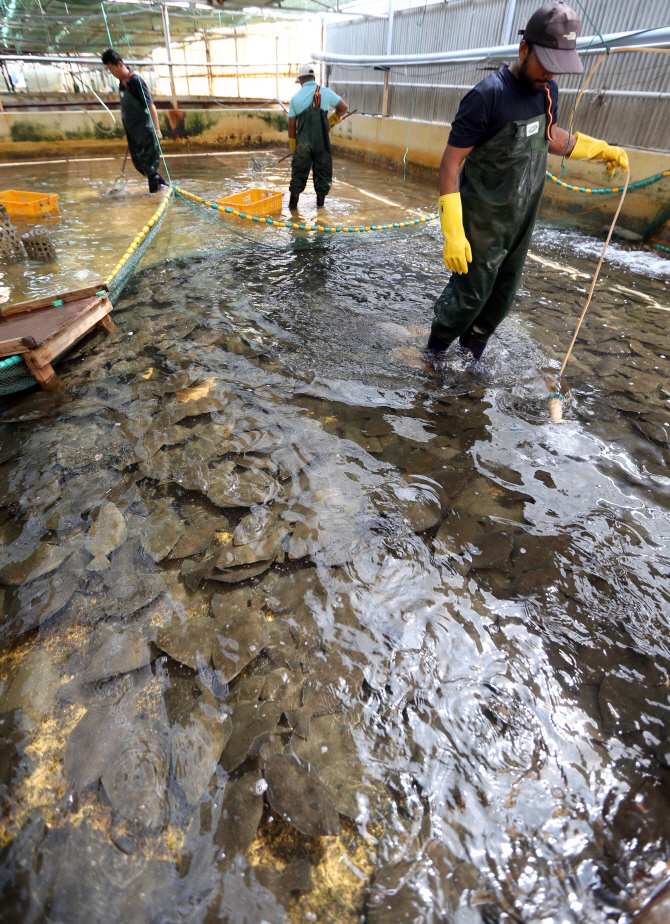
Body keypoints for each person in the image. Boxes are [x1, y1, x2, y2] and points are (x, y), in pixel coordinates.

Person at [426, 1, 628, 361]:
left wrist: (597, 150)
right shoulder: (487, 96)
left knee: (502, 296)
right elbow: (450, 164)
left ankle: (471, 362)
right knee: (470, 295)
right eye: (546, 65)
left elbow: (548, 135)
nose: (550, 75)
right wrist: (453, 233)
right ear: (524, 49)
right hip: (481, 220)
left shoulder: (548, 92)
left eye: (558, 68)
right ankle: (433, 355)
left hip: (520, 218)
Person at [101, 49, 169, 194]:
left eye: (111, 69)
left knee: (150, 167)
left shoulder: (136, 81)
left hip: (144, 131)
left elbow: (151, 106)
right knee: (140, 165)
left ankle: (153, 198)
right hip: (133, 134)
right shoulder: (121, 84)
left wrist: (157, 131)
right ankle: (165, 188)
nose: (111, 73)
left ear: (119, 64)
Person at [287, 63, 348, 210]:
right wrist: (330, 122)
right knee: (323, 176)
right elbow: (343, 108)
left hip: (302, 145)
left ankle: (292, 210)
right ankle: (321, 211)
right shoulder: (325, 92)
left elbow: (291, 127)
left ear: (301, 79)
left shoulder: (295, 99)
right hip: (322, 144)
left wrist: (294, 147)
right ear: (313, 78)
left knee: (298, 177)